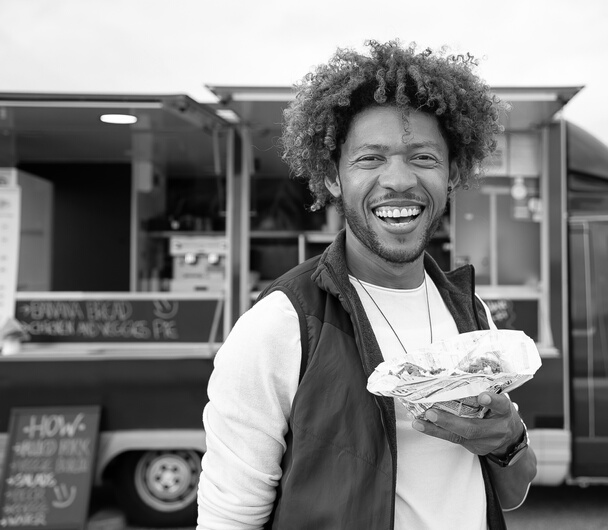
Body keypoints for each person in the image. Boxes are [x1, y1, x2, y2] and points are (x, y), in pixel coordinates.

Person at [196, 39, 537, 530]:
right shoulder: (282, 325)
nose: (398, 179)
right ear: (333, 177)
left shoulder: (471, 314)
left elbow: (509, 495)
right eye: (369, 159)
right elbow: (229, 518)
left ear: (452, 173)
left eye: (422, 157)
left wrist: (509, 441)